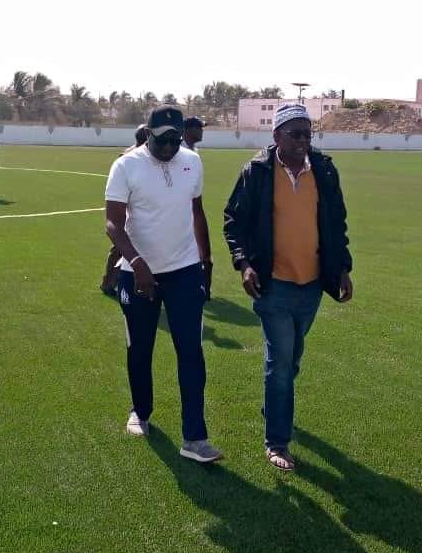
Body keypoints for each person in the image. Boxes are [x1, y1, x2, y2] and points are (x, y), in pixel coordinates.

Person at [222, 103, 354, 471]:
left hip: (311, 284)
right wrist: (244, 264)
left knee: (292, 358)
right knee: (280, 362)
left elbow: (337, 223)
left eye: (307, 134)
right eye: (295, 134)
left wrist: (343, 268)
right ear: (276, 136)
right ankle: (277, 442)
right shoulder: (257, 172)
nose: (303, 141)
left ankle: (274, 403)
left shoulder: (324, 170)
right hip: (273, 284)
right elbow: (234, 221)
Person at [105, 105, 221, 463]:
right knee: (140, 348)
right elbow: (113, 223)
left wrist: (206, 260)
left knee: (191, 352)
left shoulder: (192, 162)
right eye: (162, 141)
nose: (169, 147)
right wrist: (138, 263)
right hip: (137, 273)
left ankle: (195, 438)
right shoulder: (126, 166)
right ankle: (140, 411)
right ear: (148, 134)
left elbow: (196, 211)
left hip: (184, 270)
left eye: (175, 140)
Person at [100, 124, 150, 296]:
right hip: (132, 211)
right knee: (124, 248)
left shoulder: (127, 154)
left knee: (118, 249)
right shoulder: (133, 158)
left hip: (128, 209)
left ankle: (108, 281)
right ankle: (114, 282)